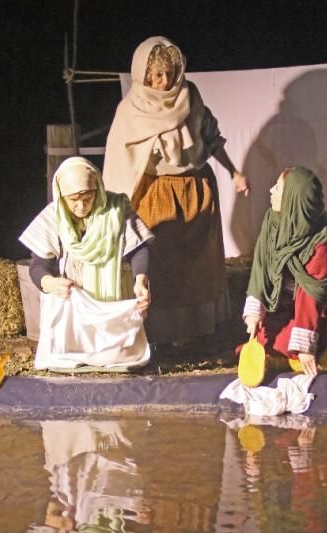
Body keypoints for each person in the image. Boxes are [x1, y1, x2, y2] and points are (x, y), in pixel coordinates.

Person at [103, 36, 250, 346]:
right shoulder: (132, 110)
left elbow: (210, 138)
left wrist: (233, 171)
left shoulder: (189, 96)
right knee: (162, 263)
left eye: (169, 72)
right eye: (156, 74)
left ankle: (195, 332)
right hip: (157, 194)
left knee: (199, 264)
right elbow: (120, 159)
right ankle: (161, 333)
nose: (164, 80)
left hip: (197, 189)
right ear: (143, 74)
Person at [19, 156, 154, 370]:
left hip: (110, 295)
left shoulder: (116, 209)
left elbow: (138, 249)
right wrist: (51, 283)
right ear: (61, 196)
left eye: (88, 198)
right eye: (73, 200)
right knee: (67, 350)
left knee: (118, 354)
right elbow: (39, 265)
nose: (81, 205)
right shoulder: (53, 216)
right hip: (75, 299)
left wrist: (140, 280)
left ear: (98, 189)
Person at [243, 165, 327, 378]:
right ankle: (286, 358)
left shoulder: (321, 240)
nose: (270, 191)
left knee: (306, 345)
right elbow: (261, 266)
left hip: (321, 310)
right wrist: (255, 311)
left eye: (278, 188)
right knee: (268, 339)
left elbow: (310, 293)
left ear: (293, 201)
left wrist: (305, 346)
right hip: (284, 304)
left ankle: (316, 354)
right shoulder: (274, 222)